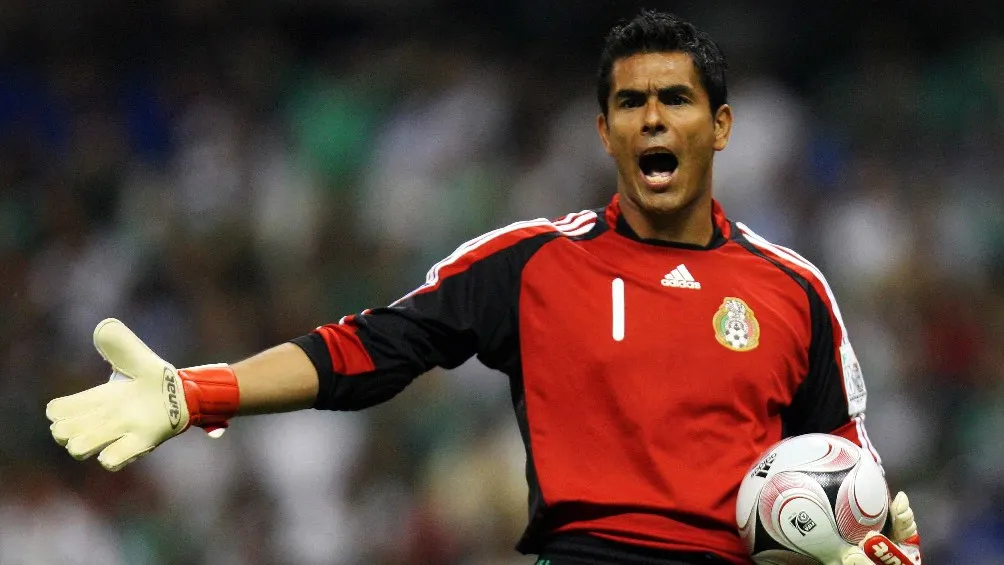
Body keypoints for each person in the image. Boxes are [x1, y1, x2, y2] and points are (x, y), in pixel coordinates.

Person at [46, 10, 923, 565]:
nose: (653, 117)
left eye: (677, 99)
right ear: (605, 132)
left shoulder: (791, 289)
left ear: (721, 125)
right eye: (630, 103)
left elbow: (842, 457)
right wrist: (197, 389)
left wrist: (874, 533)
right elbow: (370, 349)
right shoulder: (533, 263)